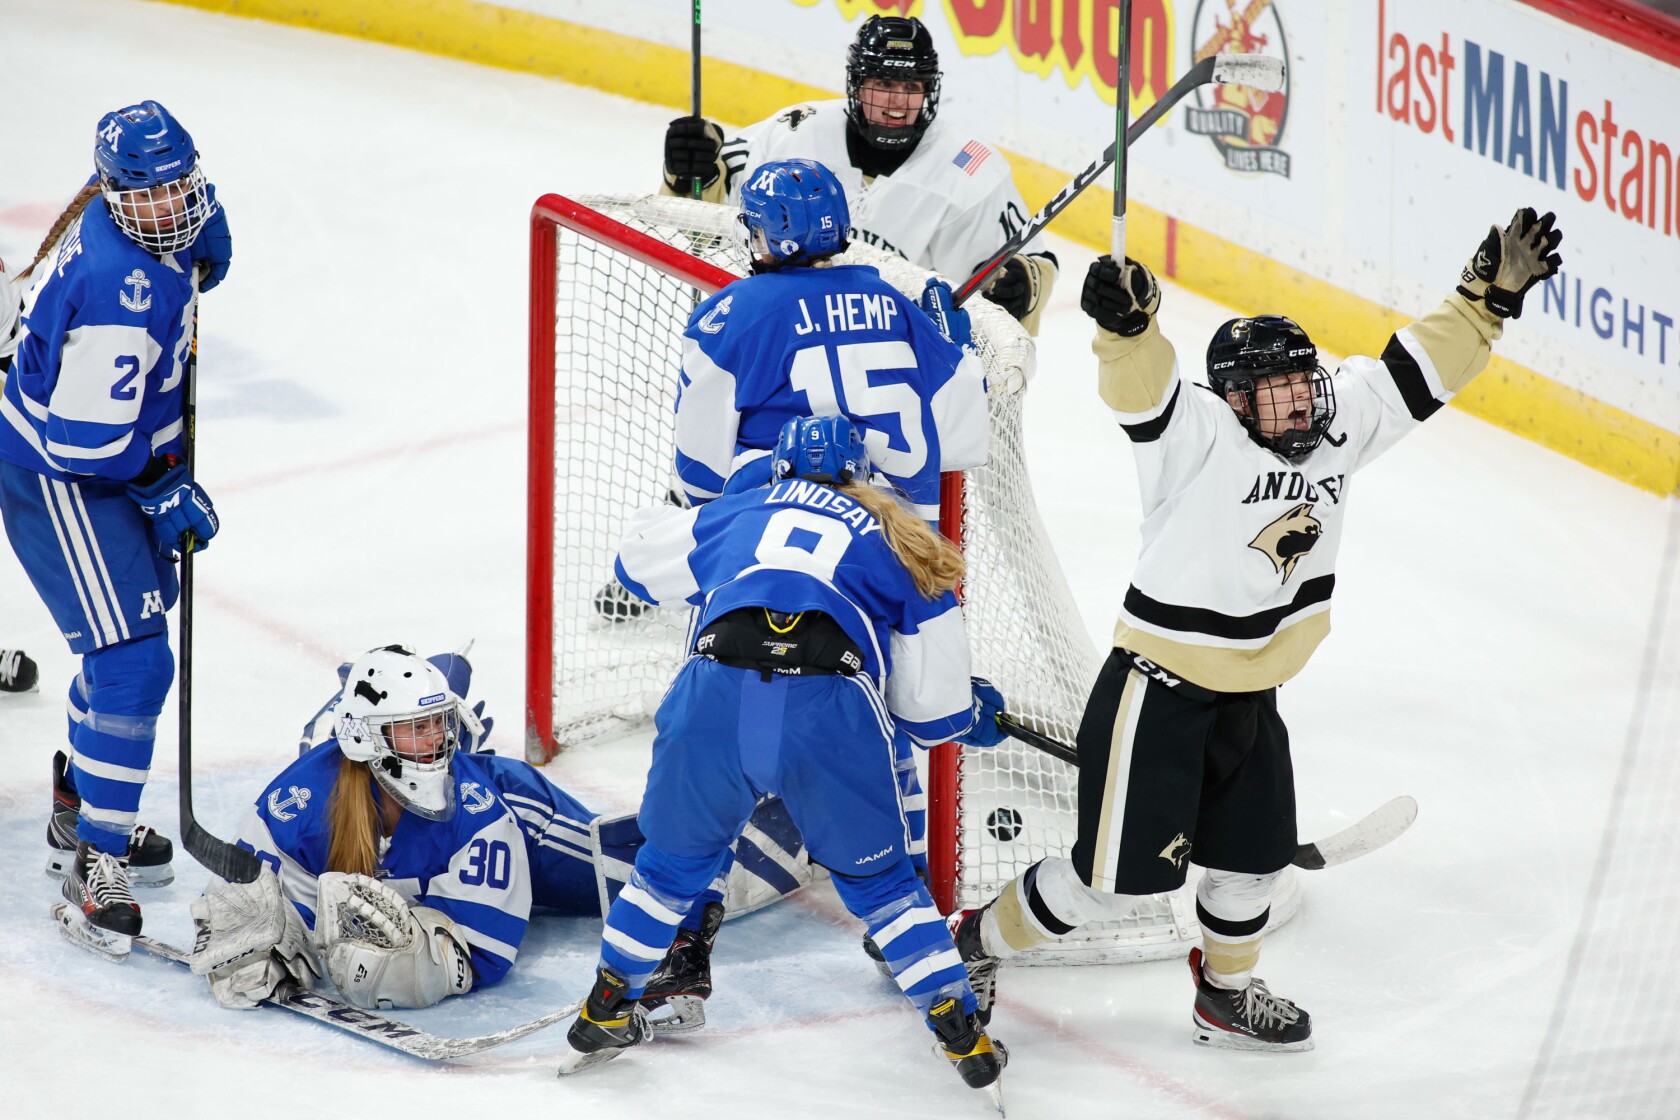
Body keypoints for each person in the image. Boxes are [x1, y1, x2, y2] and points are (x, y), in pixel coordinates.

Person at [951, 209, 1564, 1052]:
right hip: (1155, 697)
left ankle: (1226, 992)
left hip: (1251, 695)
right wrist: (1127, 330)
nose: (1300, 400)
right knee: (1107, 886)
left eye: (1304, 382)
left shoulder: (1335, 425)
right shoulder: (1197, 436)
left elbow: (1414, 371)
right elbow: (1145, 386)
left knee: (1252, 869)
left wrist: (1484, 301)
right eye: (1276, 391)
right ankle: (973, 942)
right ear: (1236, 398)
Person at [557, 415, 1011, 1106]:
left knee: (668, 871)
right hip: (828, 716)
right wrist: (969, 714)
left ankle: (606, 1004)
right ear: (861, 474)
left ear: (779, 467)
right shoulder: (904, 539)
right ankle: (960, 1030)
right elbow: (931, 716)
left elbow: (632, 566)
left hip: (714, 698)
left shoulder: (738, 507)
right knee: (886, 890)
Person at [186, 645, 808, 1015]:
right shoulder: (302, 797)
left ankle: (800, 812)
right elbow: (253, 884)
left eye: (439, 725)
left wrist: (421, 956)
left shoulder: (483, 813)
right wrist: (276, 930)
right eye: (415, 729)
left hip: (530, 822)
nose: (434, 745)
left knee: (656, 874)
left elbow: (482, 951)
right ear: (365, 738)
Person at [0, 101, 233, 951]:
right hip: (66, 479)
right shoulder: (114, 294)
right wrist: (163, 486)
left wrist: (187, 251)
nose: (175, 204)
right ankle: (95, 855)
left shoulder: (125, 219)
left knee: (125, 641)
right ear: (117, 192)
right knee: (134, 659)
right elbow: (88, 443)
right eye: (156, 192)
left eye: (183, 185)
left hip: (92, 463)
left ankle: (82, 801)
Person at [662, 15, 1058, 335]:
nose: (897, 103)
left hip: (904, 360)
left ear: (929, 90)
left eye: (911, 85)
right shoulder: (793, 132)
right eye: (883, 83)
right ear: (857, 84)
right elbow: (705, 223)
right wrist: (687, 172)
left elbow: (1031, 262)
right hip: (781, 335)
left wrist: (1023, 285)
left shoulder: (971, 171)